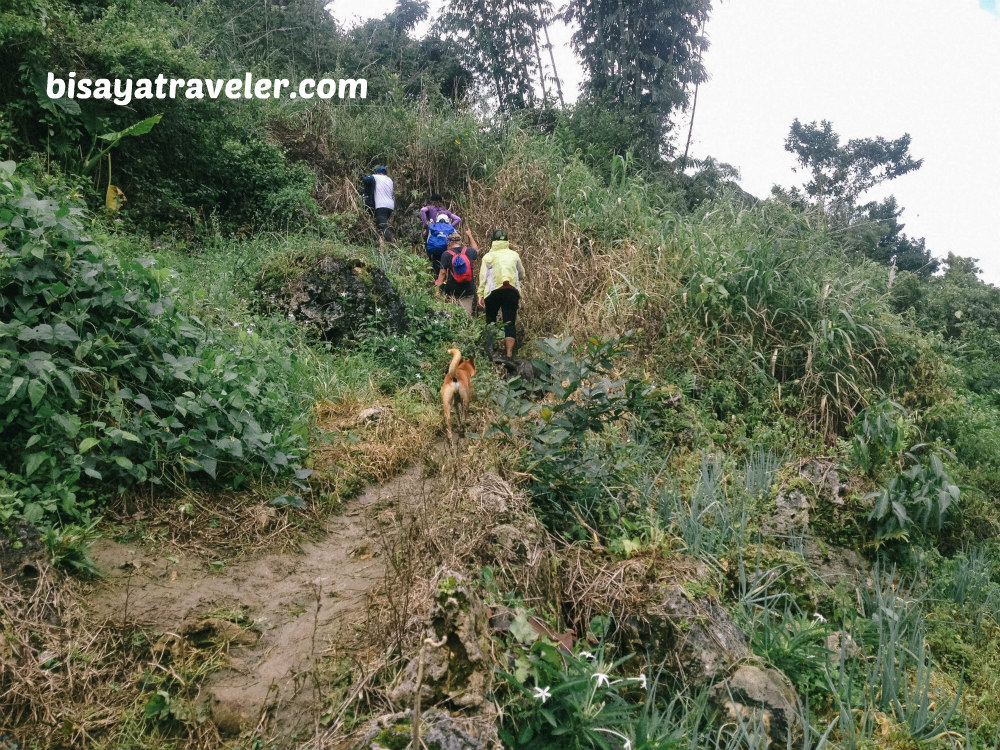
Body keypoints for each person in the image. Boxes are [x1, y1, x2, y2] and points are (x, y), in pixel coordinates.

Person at [477, 229, 524, 359]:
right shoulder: (514, 255)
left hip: (493, 292)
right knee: (510, 322)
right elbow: (521, 274)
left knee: (491, 320)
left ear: (493, 241)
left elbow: (483, 277)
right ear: (506, 241)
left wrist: (480, 294)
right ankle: (509, 355)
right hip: (511, 291)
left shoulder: (488, 257)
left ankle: (490, 352)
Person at [435, 228, 479, 315]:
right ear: (459, 242)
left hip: (452, 292)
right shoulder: (469, 251)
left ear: (449, 243)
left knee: (452, 317)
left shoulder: (446, 254)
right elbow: (476, 250)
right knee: (466, 318)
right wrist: (470, 235)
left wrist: (437, 290)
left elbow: (442, 273)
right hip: (467, 290)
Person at [361, 166, 394, 241]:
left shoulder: (376, 177)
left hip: (381, 205)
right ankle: (381, 242)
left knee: (382, 226)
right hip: (390, 206)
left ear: (377, 172)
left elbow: (365, 179)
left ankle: (391, 243)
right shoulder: (390, 180)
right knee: (380, 224)